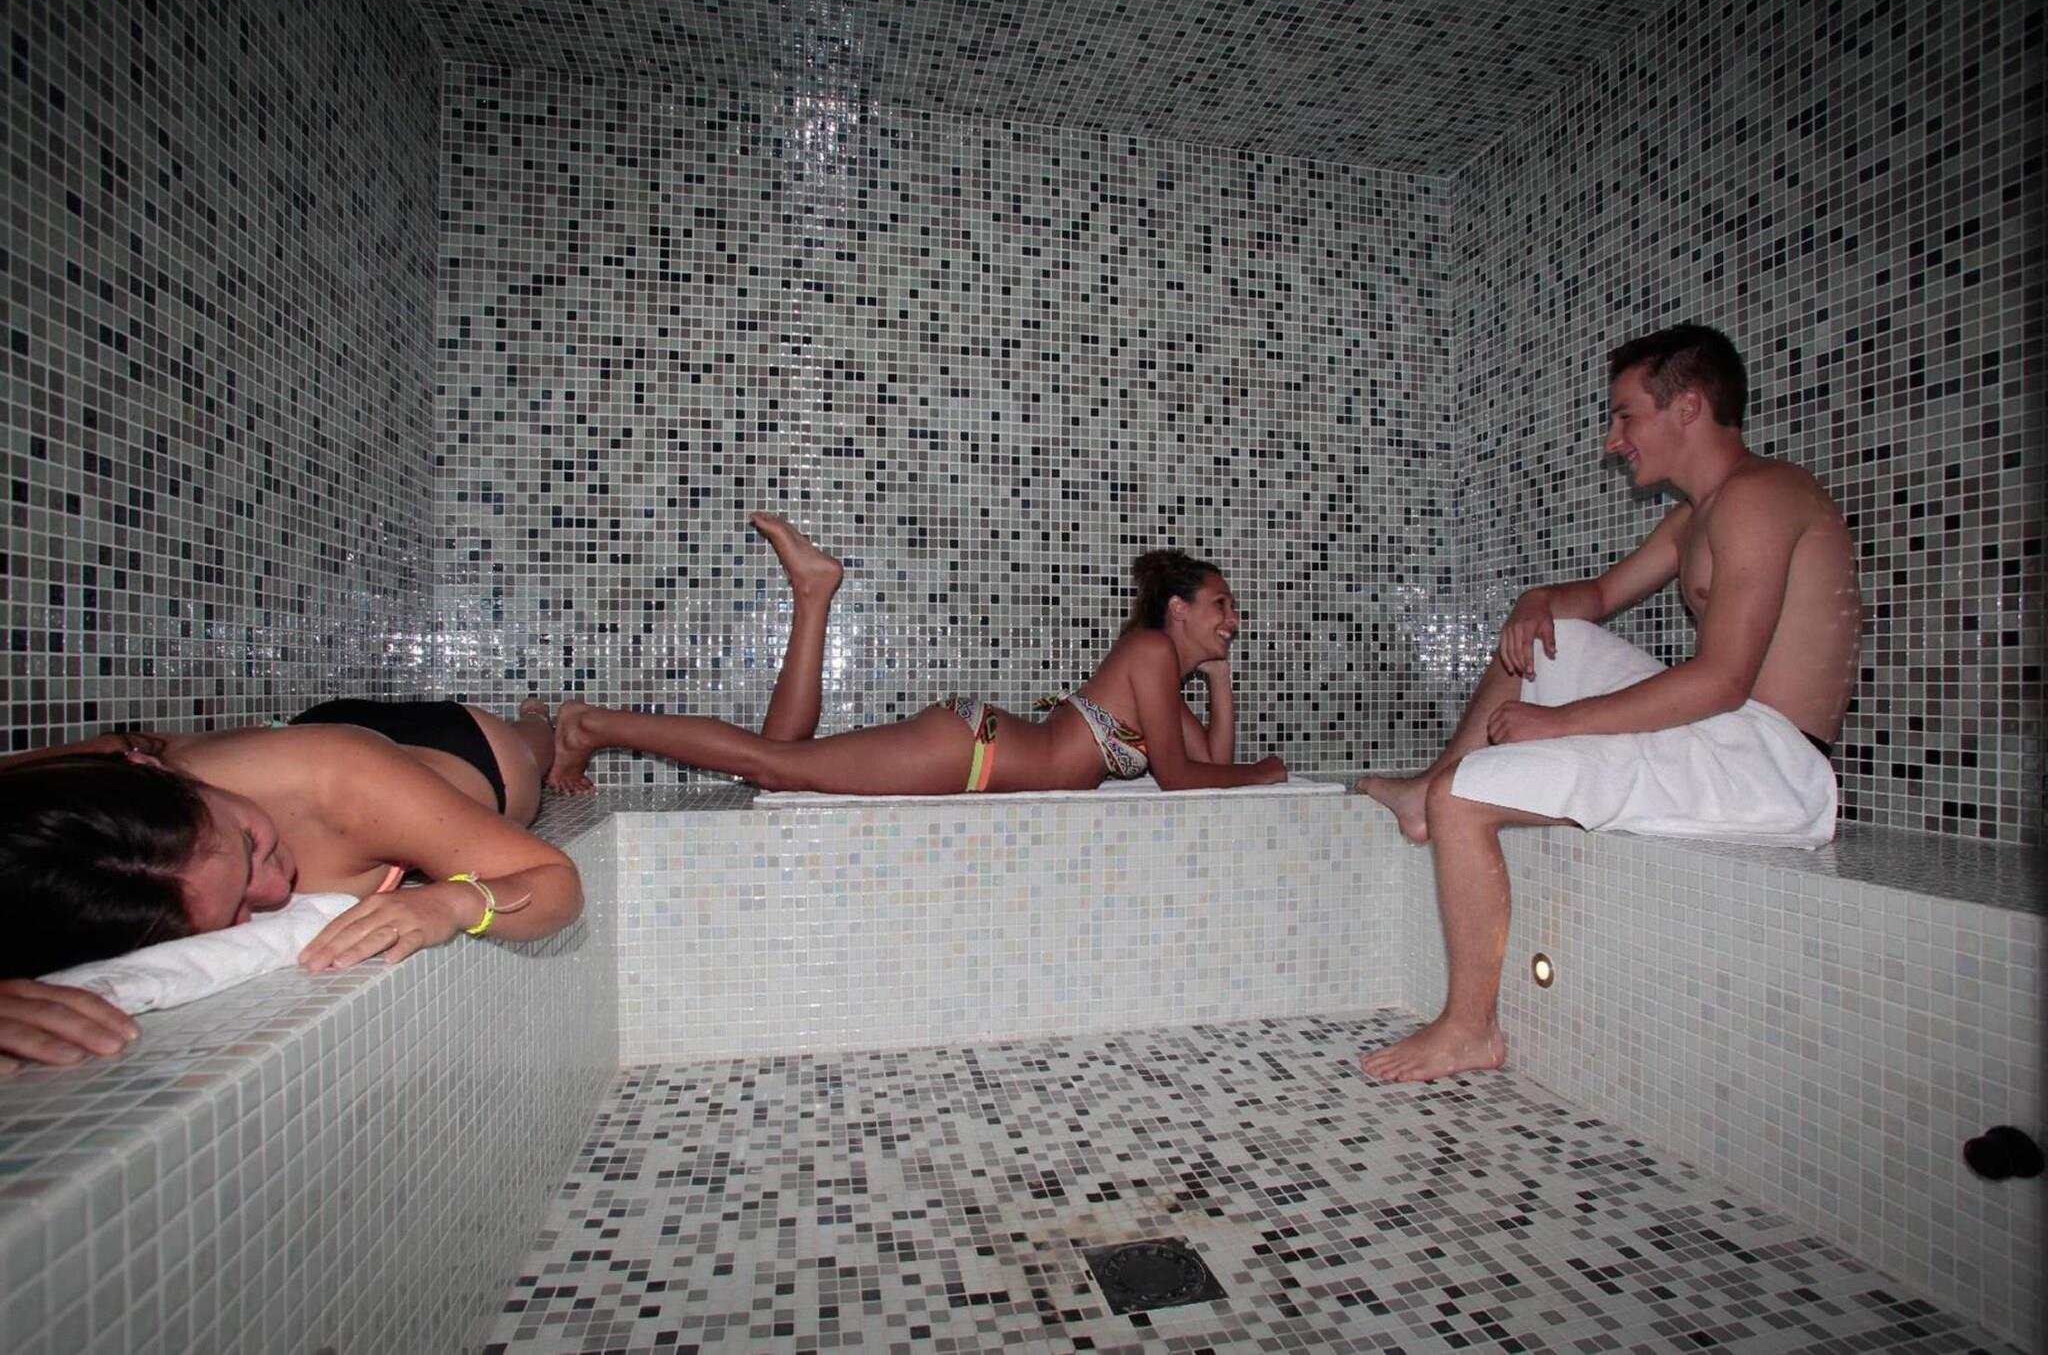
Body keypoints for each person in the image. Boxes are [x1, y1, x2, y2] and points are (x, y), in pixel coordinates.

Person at [1356, 324, 1860, 1083]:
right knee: (1551, 637)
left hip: (1769, 765)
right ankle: (1427, 789)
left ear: (1688, 407)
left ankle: (1469, 1028)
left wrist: (1556, 724)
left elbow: (1722, 679)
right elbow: (1593, 599)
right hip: (1726, 734)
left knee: (1467, 799)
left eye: (1626, 415)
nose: (1612, 440)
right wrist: (1535, 600)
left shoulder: (1760, 497)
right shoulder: (1699, 514)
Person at [0, 697, 584, 1073]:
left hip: (459, 752)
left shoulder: (342, 783)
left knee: (526, 754)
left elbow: (556, 883)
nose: (276, 889)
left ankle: (547, 720)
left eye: (249, 843)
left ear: (160, 774)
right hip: (310, 739)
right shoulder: (70, 785)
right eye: (238, 908)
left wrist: (456, 901)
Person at [549, 513, 1288, 797]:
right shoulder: (1151, 651)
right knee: (770, 766)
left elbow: (1206, 765)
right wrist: (1264, 770)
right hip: (972, 752)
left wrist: (1220, 680)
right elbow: (1184, 779)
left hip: (977, 749)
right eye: (1221, 605)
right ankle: (592, 725)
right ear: (1179, 610)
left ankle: (813, 593)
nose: (1233, 618)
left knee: (776, 762)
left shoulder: (1162, 683)